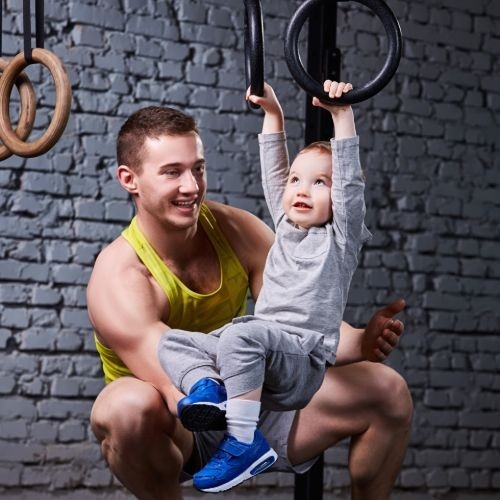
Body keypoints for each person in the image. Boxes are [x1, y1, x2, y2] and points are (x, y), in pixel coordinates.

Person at [87, 85, 413, 500]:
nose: (191, 186)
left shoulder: (235, 230)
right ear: (129, 179)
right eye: (172, 172)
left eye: (198, 169)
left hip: (255, 392)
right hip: (180, 423)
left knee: (387, 390)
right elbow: (174, 385)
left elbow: (297, 315)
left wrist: (362, 342)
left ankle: (253, 446)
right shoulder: (119, 276)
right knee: (125, 406)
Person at [157, 80, 373, 493]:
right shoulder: (287, 225)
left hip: (302, 360)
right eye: (296, 180)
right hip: (263, 352)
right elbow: (274, 170)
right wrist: (273, 114)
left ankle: (244, 443)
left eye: (320, 183)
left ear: (338, 198)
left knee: (243, 334)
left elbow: (349, 186)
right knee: (172, 342)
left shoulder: (340, 239)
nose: (301, 190)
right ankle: (209, 390)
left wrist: (342, 115)